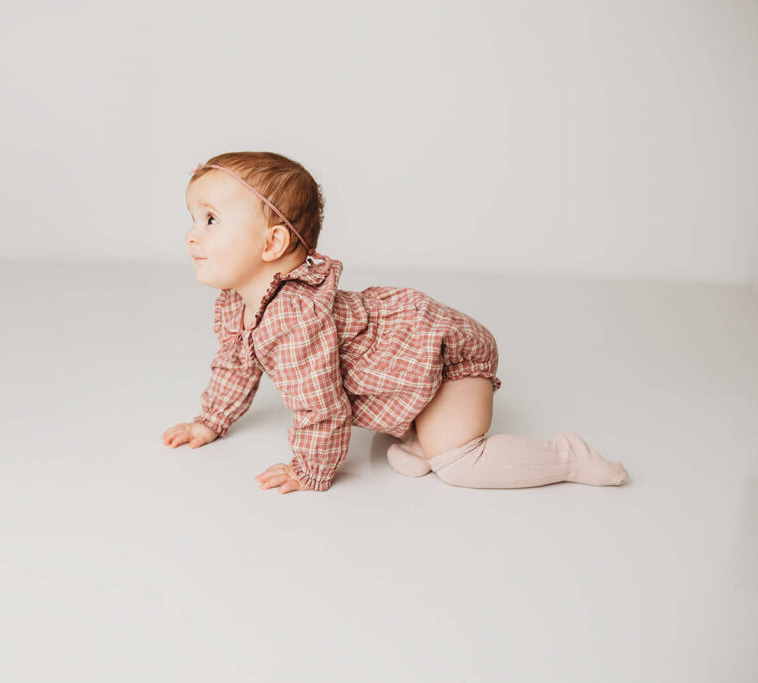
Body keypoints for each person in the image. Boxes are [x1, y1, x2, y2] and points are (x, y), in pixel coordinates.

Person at [160, 151, 629, 494]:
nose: (191, 236)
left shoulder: (296, 317)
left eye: (210, 220)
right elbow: (236, 365)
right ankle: (419, 427)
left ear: (272, 243)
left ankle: (567, 457)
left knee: (459, 465)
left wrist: (310, 470)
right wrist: (210, 421)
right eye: (193, 219)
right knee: (421, 447)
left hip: (448, 361)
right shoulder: (238, 303)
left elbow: (321, 405)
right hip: (411, 365)